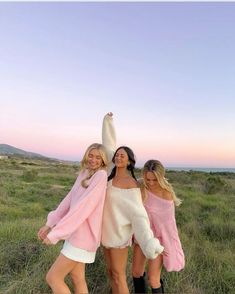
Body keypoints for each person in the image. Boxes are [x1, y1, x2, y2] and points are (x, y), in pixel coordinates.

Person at [101, 113, 165, 294]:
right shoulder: (110, 174)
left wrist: (149, 243)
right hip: (105, 233)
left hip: (119, 237)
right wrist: (108, 121)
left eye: (122, 156)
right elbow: (108, 144)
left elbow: (139, 217)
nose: (118, 157)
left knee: (119, 276)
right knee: (110, 273)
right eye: (117, 155)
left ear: (129, 161)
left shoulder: (132, 186)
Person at [37, 143, 108, 294]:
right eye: (91, 155)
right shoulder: (85, 173)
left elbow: (83, 209)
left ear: (103, 161)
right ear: (86, 155)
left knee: (53, 278)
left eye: (98, 157)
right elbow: (68, 201)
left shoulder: (101, 176)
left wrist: (57, 233)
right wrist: (49, 224)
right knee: (77, 277)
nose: (93, 160)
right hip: (75, 235)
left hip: (83, 238)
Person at [132, 159, 185, 293]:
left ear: (160, 177)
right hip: (142, 237)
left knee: (153, 278)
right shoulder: (139, 185)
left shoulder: (166, 194)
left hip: (159, 241)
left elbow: (169, 227)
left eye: (154, 180)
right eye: (147, 179)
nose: (150, 183)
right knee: (136, 272)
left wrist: (169, 246)